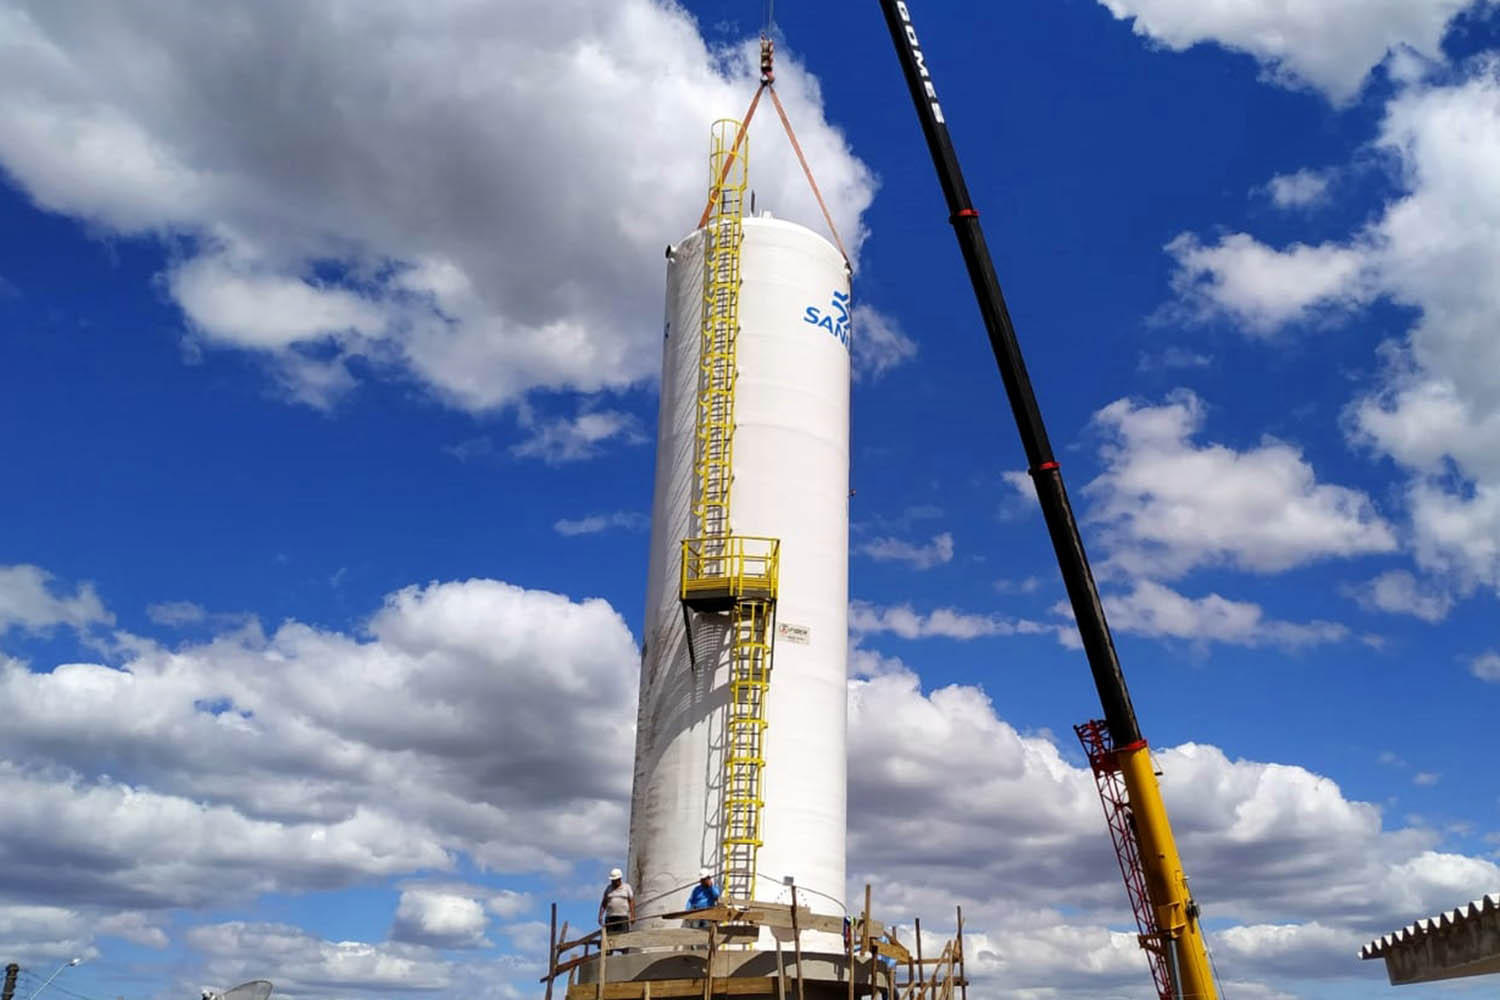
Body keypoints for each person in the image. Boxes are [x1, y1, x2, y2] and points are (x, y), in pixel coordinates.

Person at [598, 867, 635, 943]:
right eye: (612, 880)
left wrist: (632, 915)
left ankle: (624, 953)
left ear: (619, 879)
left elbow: (631, 901)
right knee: (609, 939)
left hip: (622, 917)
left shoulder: (626, 887)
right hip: (610, 917)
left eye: (615, 880)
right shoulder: (608, 888)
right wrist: (600, 915)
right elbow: (604, 903)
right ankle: (609, 954)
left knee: (624, 938)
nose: (613, 882)